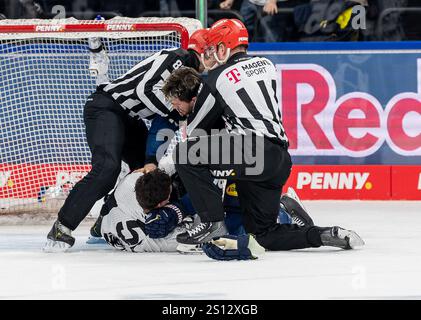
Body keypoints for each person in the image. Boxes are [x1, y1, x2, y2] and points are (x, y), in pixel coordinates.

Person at [162, 19, 364, 258]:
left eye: (215, 47)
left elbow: (196, 132)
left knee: (185, 153)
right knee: (264, 234)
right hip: (278, 159)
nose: (213, 54)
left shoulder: (217, 77)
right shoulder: (267, 65)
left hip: (252, 150)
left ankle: (212, 223)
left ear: (224, 47)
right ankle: (322, 234)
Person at [43, 28, 215, 252]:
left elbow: (163, 122)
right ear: (203, 50)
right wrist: (176, 113)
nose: (215, 57)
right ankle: (62, 227)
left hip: (127, 116)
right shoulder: (179, 58)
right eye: (211, 50)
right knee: (108, 168)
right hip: (106, 106)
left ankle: (103, 221)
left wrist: (151, 159)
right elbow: (145, 91)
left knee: (146, 179)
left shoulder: (189, 76)